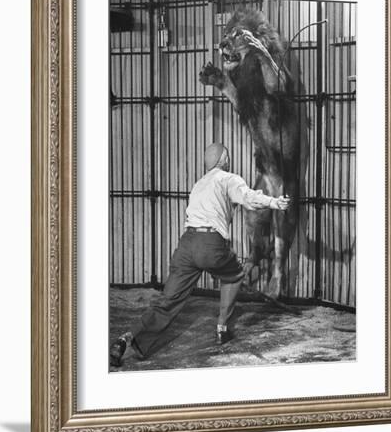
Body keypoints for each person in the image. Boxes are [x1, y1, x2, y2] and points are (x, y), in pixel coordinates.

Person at [110, 142, 291, 366]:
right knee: (233, 275)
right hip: (210, 244)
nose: (229, 160)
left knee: (168, 301)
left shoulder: (198, 184)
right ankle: (222, 328)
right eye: (228, 156)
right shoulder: (228, 178)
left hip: (186, 245)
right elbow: (248, 197)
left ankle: (126, 339)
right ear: (224, 159)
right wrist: (274, 202)